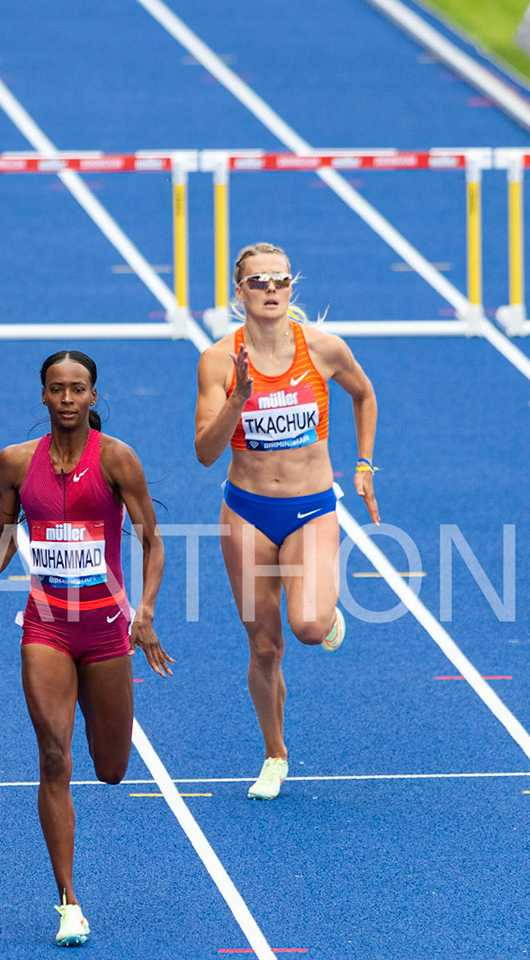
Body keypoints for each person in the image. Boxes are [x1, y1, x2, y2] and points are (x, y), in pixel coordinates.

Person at [0, 350, 173, 947]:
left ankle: (74, 876)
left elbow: (152, 544)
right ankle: (68, 901)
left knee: (110, 770)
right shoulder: (14, 462)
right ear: (43, 397)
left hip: (106, 629)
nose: (67, 399)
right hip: (46, 627)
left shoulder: (117, 460)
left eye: (78, 389)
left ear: (93, 396)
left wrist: (147, 613)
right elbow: (5, 532)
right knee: (54, 755)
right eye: (56, 390)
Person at [194, 243, 380, 801]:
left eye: (279, 280)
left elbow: (364, 394)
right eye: (258, 282)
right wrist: (237, 401)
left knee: (306, 628)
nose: (270, 290)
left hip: (312, 506)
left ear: (291, 288)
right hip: (247, 510)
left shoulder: (323, 349)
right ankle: (275, 754)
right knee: (266, 645)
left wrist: (365, 464)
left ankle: (324, 614)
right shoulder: (218, 361)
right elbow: (205, 452)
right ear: (240, 293)